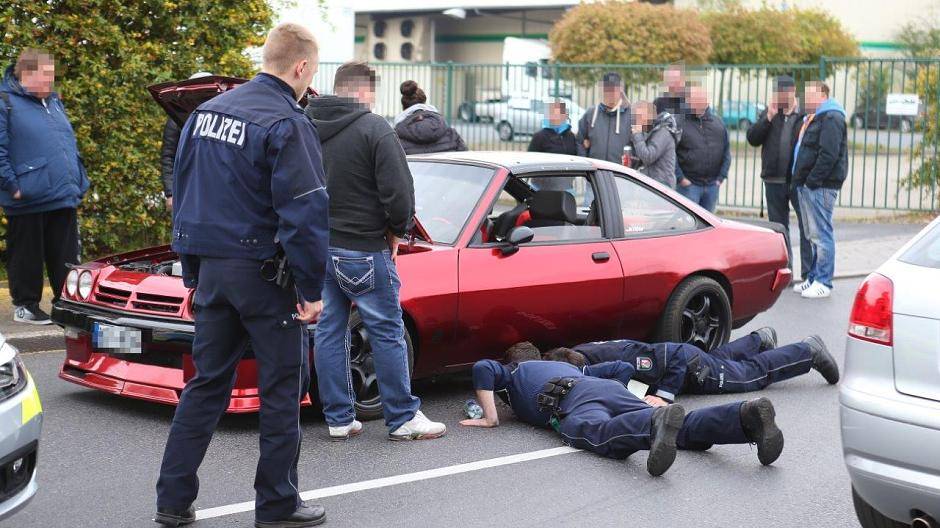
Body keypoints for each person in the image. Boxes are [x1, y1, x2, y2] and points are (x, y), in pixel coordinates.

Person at [154, 23, 330, 528]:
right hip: (265, 278)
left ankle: (172, 500)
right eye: (312, 72)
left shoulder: (204, 114)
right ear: (301, 66)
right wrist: (312, 289)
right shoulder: (287, 121)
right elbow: (305, 212)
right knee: (281, 389)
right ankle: (277, 505)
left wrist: (192, 273)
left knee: (206, 384)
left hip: (212, 272)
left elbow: (185, 196)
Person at [306, 62, 446, 442]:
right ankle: (402, 418)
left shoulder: (306, 125)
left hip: (318, 247)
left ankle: (338, 418)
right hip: (364, 248)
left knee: (329, 331)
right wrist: (397, 231)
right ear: (364, 91)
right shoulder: (374, 128)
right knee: (386, 330)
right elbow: (399, 192)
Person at [461, 344, 786, 476]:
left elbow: (482, 367)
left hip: (572, 402)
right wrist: (626, 398)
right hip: (608, 390)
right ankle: (743, 417)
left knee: (594, 432)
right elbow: (621, 367)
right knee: (681, 426)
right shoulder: (574, 367)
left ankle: (652, 423)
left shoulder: (513, 371)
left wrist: (491, 418)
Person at [0, 48, 88, 325]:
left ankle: (66, 305)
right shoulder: (5, 102)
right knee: (26, 256)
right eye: (45, 75)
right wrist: (12, 186)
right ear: (26, 74)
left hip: (63, 194)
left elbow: (66, 144)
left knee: (65, 255)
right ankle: (26, 307)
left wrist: (79, 178)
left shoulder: (54, 102)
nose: (50, 80)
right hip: (27, 197)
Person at [543, 329, 839, 407]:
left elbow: (675, 355)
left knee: (750, 374)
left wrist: (665, 395)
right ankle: (759, 339)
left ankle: (807, 351)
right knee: (721, 360)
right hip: (687, 363)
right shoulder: (580, 352)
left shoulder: (620, 361)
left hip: (686, 364)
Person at [746, 75, 811, 284]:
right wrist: (768, 118)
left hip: (798, 182)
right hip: (773, 180)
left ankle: (808, 274)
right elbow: (752, 139)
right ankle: (786, 273)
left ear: (792, 92)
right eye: (777, 93)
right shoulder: (770, 113)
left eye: (784, 93)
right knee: (779, 228)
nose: (780, 97)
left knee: (806, 227)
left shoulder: (805, 115)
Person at [791, 81, 848, 299]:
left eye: (810, 94)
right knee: (813, 235)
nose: (806, 99)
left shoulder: (832, 117)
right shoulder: (814, 117)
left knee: (822, 234)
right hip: (808, 184)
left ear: (823, 95)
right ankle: (813, 277)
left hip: (821, 185)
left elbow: (829, 154)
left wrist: (812, 181)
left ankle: (824, 281)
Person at [159, 71, 212, 211]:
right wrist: (170, 193)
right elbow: (168, 156)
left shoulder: (221, 116)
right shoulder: (176, 119)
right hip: (187, 185)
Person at [674, 84, 731, 212]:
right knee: (687, 221)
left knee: (707, 223)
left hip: (712, 186)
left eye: (701, 99)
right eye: (695, 99)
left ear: (707, 100)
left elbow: (726, 153)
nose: (698, 102)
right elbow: (671, 153)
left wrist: (721, 178)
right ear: (688, 100)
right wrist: (681, 178)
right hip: (688, 186)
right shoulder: (679, 123)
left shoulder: (718, 123)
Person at [393, 80, 467, 155]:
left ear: (404, 107)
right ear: (424, 103)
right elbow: (464, 157)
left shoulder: (395, 139)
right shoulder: (451, 134)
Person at [576, 71, 632, 164]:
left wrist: (630, 165)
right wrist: (585, 164)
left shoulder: (631, 115)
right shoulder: (591, 114)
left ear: (621, 89)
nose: (611, 93)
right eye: (608, 89)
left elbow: (639, 145)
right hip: (595, 171)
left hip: (621, 171)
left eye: (614, 89)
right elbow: (580, 142)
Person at [629, 101, 681, 189]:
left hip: (661, 185)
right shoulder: (649, 130)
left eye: (638, 116)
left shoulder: (663, 132)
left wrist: (637, 134)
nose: (635, 121)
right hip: (650, 182)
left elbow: (648, 157)